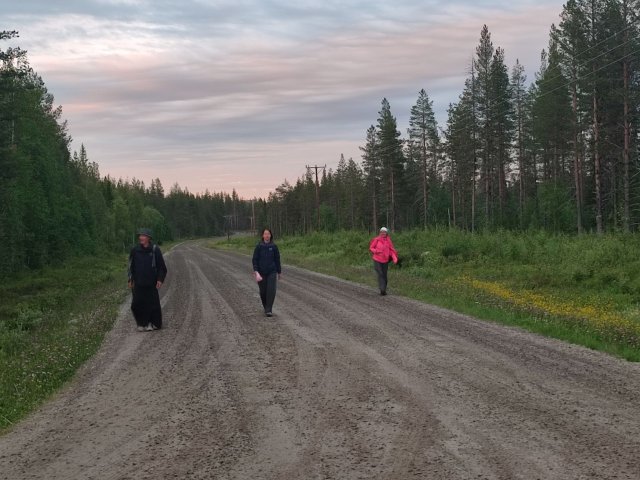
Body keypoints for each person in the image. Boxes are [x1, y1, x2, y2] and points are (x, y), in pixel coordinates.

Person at [128, 228, 168, 332]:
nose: (140, 237)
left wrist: (160, 279)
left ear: (148, 238)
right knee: (136, 304)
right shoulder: (135, 250)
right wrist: (130, 279)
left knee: (152, 304)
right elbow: (130, 266)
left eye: (143, 235)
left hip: (151, 283)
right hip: (138, 282)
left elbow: (161, 267)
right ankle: (142, 323)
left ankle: (153, 323)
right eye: (140, 235)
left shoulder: (155, 250)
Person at [252, 228, 281, 317]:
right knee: (263, 291)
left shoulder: (274, 246)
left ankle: (269, 309)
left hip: (272, 272)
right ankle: (266, 307)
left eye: (268, 234)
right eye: (265, 234)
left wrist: (279, 272)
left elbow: (277, 260)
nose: (267, 235)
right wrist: (256, 270)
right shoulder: (259, 246)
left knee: (271, 291)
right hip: (261, 272)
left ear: (270, 235)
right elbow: (255, 259)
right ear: (263, 235)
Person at [369, 227, 398, 296]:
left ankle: (384, 290)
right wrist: (376, 251)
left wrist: (394, 258)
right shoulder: (376, 239)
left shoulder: (388, 241)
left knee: (384, 275)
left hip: (385, 260)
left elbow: (391, 250)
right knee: (380, 273)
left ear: (386, 233)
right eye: (382, 232)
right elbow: (371, 248)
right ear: (380, 233)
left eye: (384, 232)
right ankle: (382, 289)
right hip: (377, 260)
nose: (383, 233)